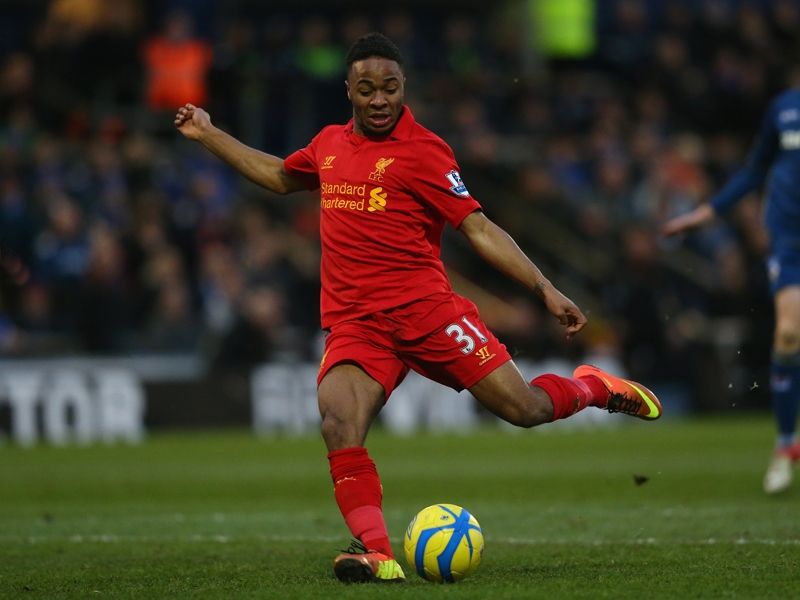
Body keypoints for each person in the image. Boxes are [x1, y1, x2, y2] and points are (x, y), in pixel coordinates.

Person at [175, 32, 662, 583]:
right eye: (367, 89)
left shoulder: (425, 152)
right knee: (339, 421)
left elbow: (478, 228)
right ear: (349, 92)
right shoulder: (329, 145)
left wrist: (545, 287)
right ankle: (377, 552)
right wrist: (209, 134)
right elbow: (281, 176)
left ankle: (596, 387)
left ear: (404, 87)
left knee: (526, 410)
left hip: (428, 313)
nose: (379, 99)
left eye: (389, 87)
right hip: (358, 323)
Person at [662, 85, 800, 494]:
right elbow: (756, 169)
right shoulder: (784, 106)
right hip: (790, 236)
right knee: (789, 334)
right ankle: (784, 446)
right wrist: (705, 214)